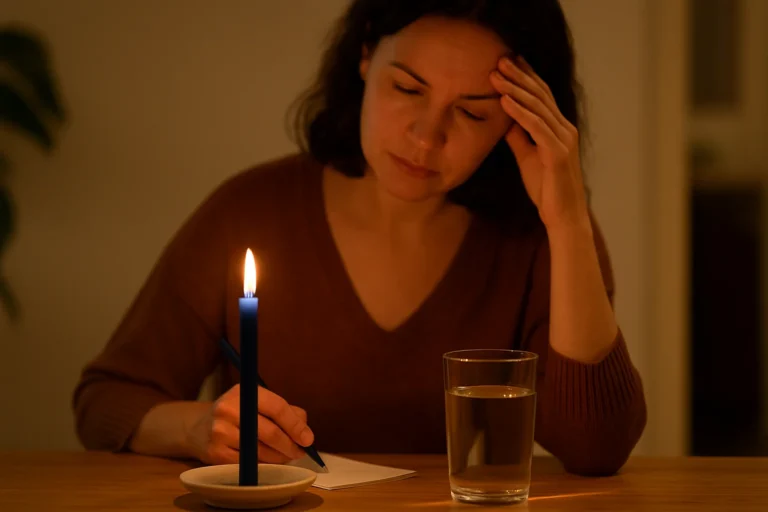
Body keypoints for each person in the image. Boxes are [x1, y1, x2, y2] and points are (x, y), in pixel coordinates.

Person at [73, 0, 646, 477]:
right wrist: (199, 429)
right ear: (367, 56)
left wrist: (567, 221)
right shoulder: (249, 210)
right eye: (407, 88)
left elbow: (597, 447)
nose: (426, 138)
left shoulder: (538, 237)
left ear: (518, 123)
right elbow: (106, 403)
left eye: (471, 114)